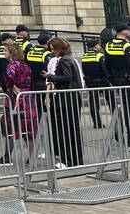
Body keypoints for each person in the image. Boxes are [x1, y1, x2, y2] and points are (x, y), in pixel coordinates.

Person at [0, 42, 36, 166]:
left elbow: (10, 77)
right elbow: (31, 81)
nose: (4, 53)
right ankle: (31, 157)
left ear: (11, 53)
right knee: (27, 130)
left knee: (11, 128)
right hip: (27, 99)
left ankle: (7, 157)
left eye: (5, 51)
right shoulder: (25, 65)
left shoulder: (12, 65)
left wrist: (10, 87)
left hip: (16, 101)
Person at [43, 38, 84, 167]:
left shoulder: (64, 60)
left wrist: (50, 76)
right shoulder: (69, 59)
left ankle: (68, 160)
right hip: (70, 97)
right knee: (71, 129)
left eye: (54, 48)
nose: (52, 51)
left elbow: (67, 78)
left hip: (65, 97)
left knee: (65, 129)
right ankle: (75, 160)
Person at [80, 40, 111, 128]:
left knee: (94, 103)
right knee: (111, 101)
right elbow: (104, 69)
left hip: (91, 82)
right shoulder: (99, 55)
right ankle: (116, 119)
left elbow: (84, 70)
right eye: (98, 45)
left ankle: (97, 123)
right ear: (95, 47)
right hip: (102, 82)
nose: (99, 47)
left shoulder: (84, 56)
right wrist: (109, 79)